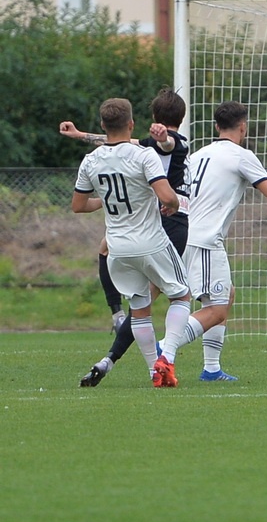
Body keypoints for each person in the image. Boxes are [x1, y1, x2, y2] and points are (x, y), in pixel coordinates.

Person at [156, 100, 267, 383]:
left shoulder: (197, 155)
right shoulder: (241, 156)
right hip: (205, 240)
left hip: (183, 235)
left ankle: (211, 369)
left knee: (226, 294)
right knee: (217, 309)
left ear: (217, 126)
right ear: (243, 127)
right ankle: (164, 349)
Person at [61, 88, 191, 387]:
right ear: (131, 124)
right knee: (182, 295)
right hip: (151, 241)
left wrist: (104, 202)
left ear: (104, 126)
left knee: (140, 309)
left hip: (116, 249)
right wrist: (171, 204)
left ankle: (153, 373)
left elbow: (78, 206)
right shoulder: (144, 155)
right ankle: (166, 356)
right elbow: (167, 196)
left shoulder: (91, 162)